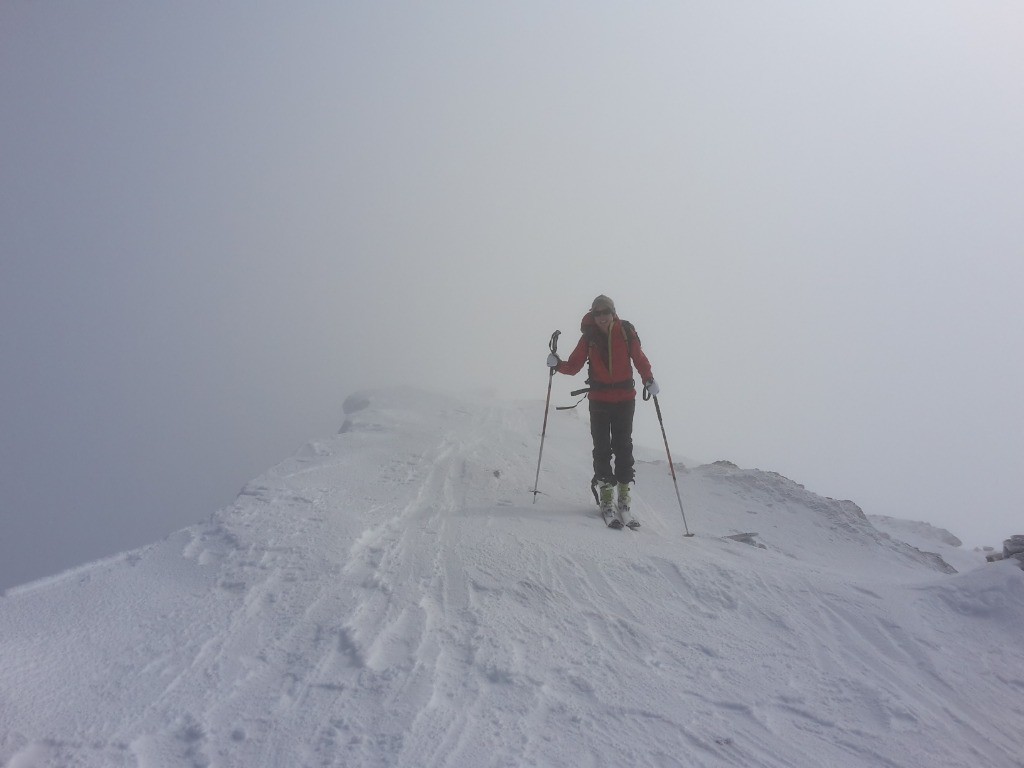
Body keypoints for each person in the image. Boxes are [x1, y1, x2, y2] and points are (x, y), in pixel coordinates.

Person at [546, 295, 660, 525]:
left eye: (605, 312)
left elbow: (639, 358)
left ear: (613, 312)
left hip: (625, 399)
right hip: (599, 400)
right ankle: (607, 498)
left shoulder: (626, 331)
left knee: (624, 447)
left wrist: (648, 379)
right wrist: (557, 365)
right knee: (602, 449)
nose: (602, 317)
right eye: (597, 313)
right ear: (593, 315)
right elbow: (575, 365)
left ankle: (624, 500)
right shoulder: (589, 337)